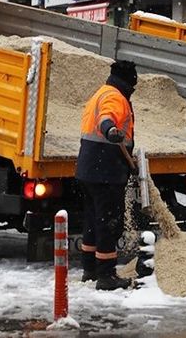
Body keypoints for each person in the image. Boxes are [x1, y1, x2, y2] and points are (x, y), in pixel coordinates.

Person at [76, 60, 138, 290]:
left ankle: (89, 269)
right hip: (106, 170)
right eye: (134, 82)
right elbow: (106, 118)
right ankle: (106, 275)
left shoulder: (100, 92)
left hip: (89, 168)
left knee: (92, 220)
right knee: (109, 223)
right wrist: (110, 130)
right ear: (128, 81)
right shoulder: (114, 97)